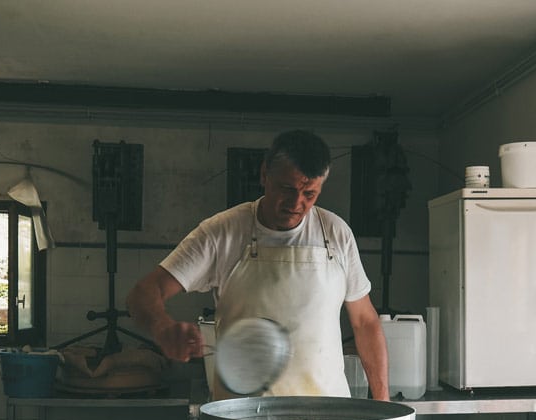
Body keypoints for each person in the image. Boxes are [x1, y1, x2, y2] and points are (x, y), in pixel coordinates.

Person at [127, 129, 389, 401]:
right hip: (244, 419)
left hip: (326, 416)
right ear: (264, 175)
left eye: (309, 194)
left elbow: (365, 322)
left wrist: (384, 404)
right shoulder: (222, 232)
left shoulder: (336, 233)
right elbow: (143, 292)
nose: (296, 203)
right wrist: (163, 328)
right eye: (286, 189)